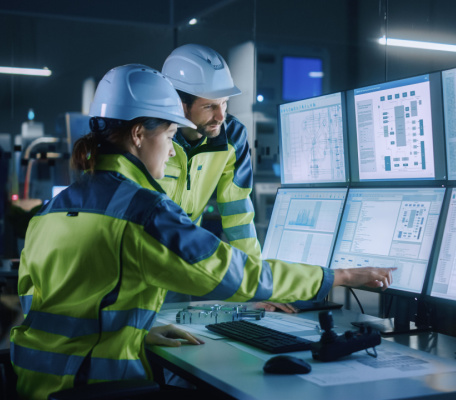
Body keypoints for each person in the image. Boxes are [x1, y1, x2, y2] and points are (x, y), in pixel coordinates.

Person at [10, 64, 394, 400]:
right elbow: (231, 272)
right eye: (169, 134)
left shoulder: (53, 210)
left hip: (36, 384)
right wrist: (337, 276)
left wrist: (137, 333)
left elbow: (49, 306)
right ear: (141, 134)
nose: (171, 149)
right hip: (97, 384)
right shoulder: (141, 211)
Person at [159, 44, 296, 312]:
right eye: (210, 106)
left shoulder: (232, 136)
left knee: (170, 341)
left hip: (178, 268)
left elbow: (238, 216)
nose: (221, 116)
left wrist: (256, 287)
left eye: (224, 103)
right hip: (135, 264)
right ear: (179, 103)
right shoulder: (152, 136)